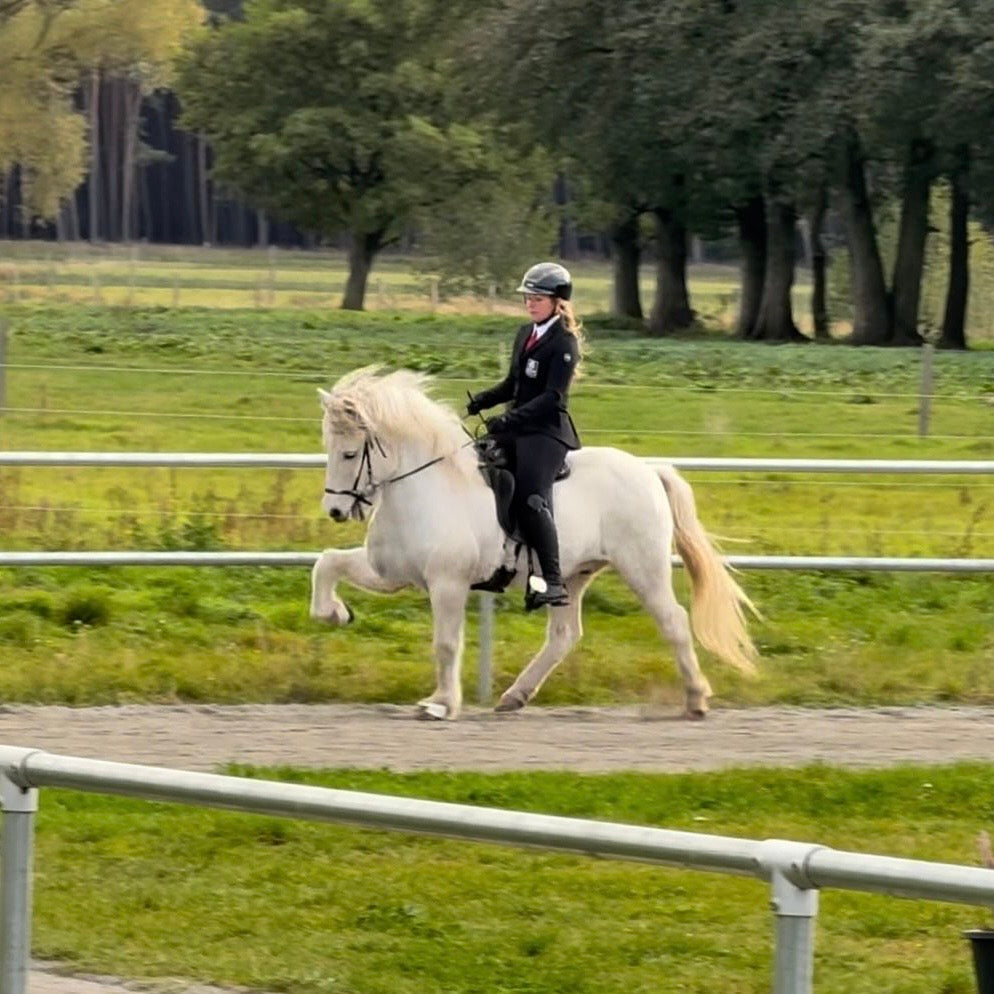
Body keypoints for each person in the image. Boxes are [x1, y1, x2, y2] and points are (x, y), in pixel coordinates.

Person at [466, 261, 583, 609]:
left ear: (557, 301)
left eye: (538, 298)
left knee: (532, 498)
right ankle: (499, 561)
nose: (530, 303)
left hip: (546, 432)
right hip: (516, 426)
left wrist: (510, 418)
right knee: (477, 472)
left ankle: (552, 581)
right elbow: (513, 384)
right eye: (527, 298)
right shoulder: (524, 334)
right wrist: (485, 400)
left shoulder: (564, 342)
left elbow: (553, 398)